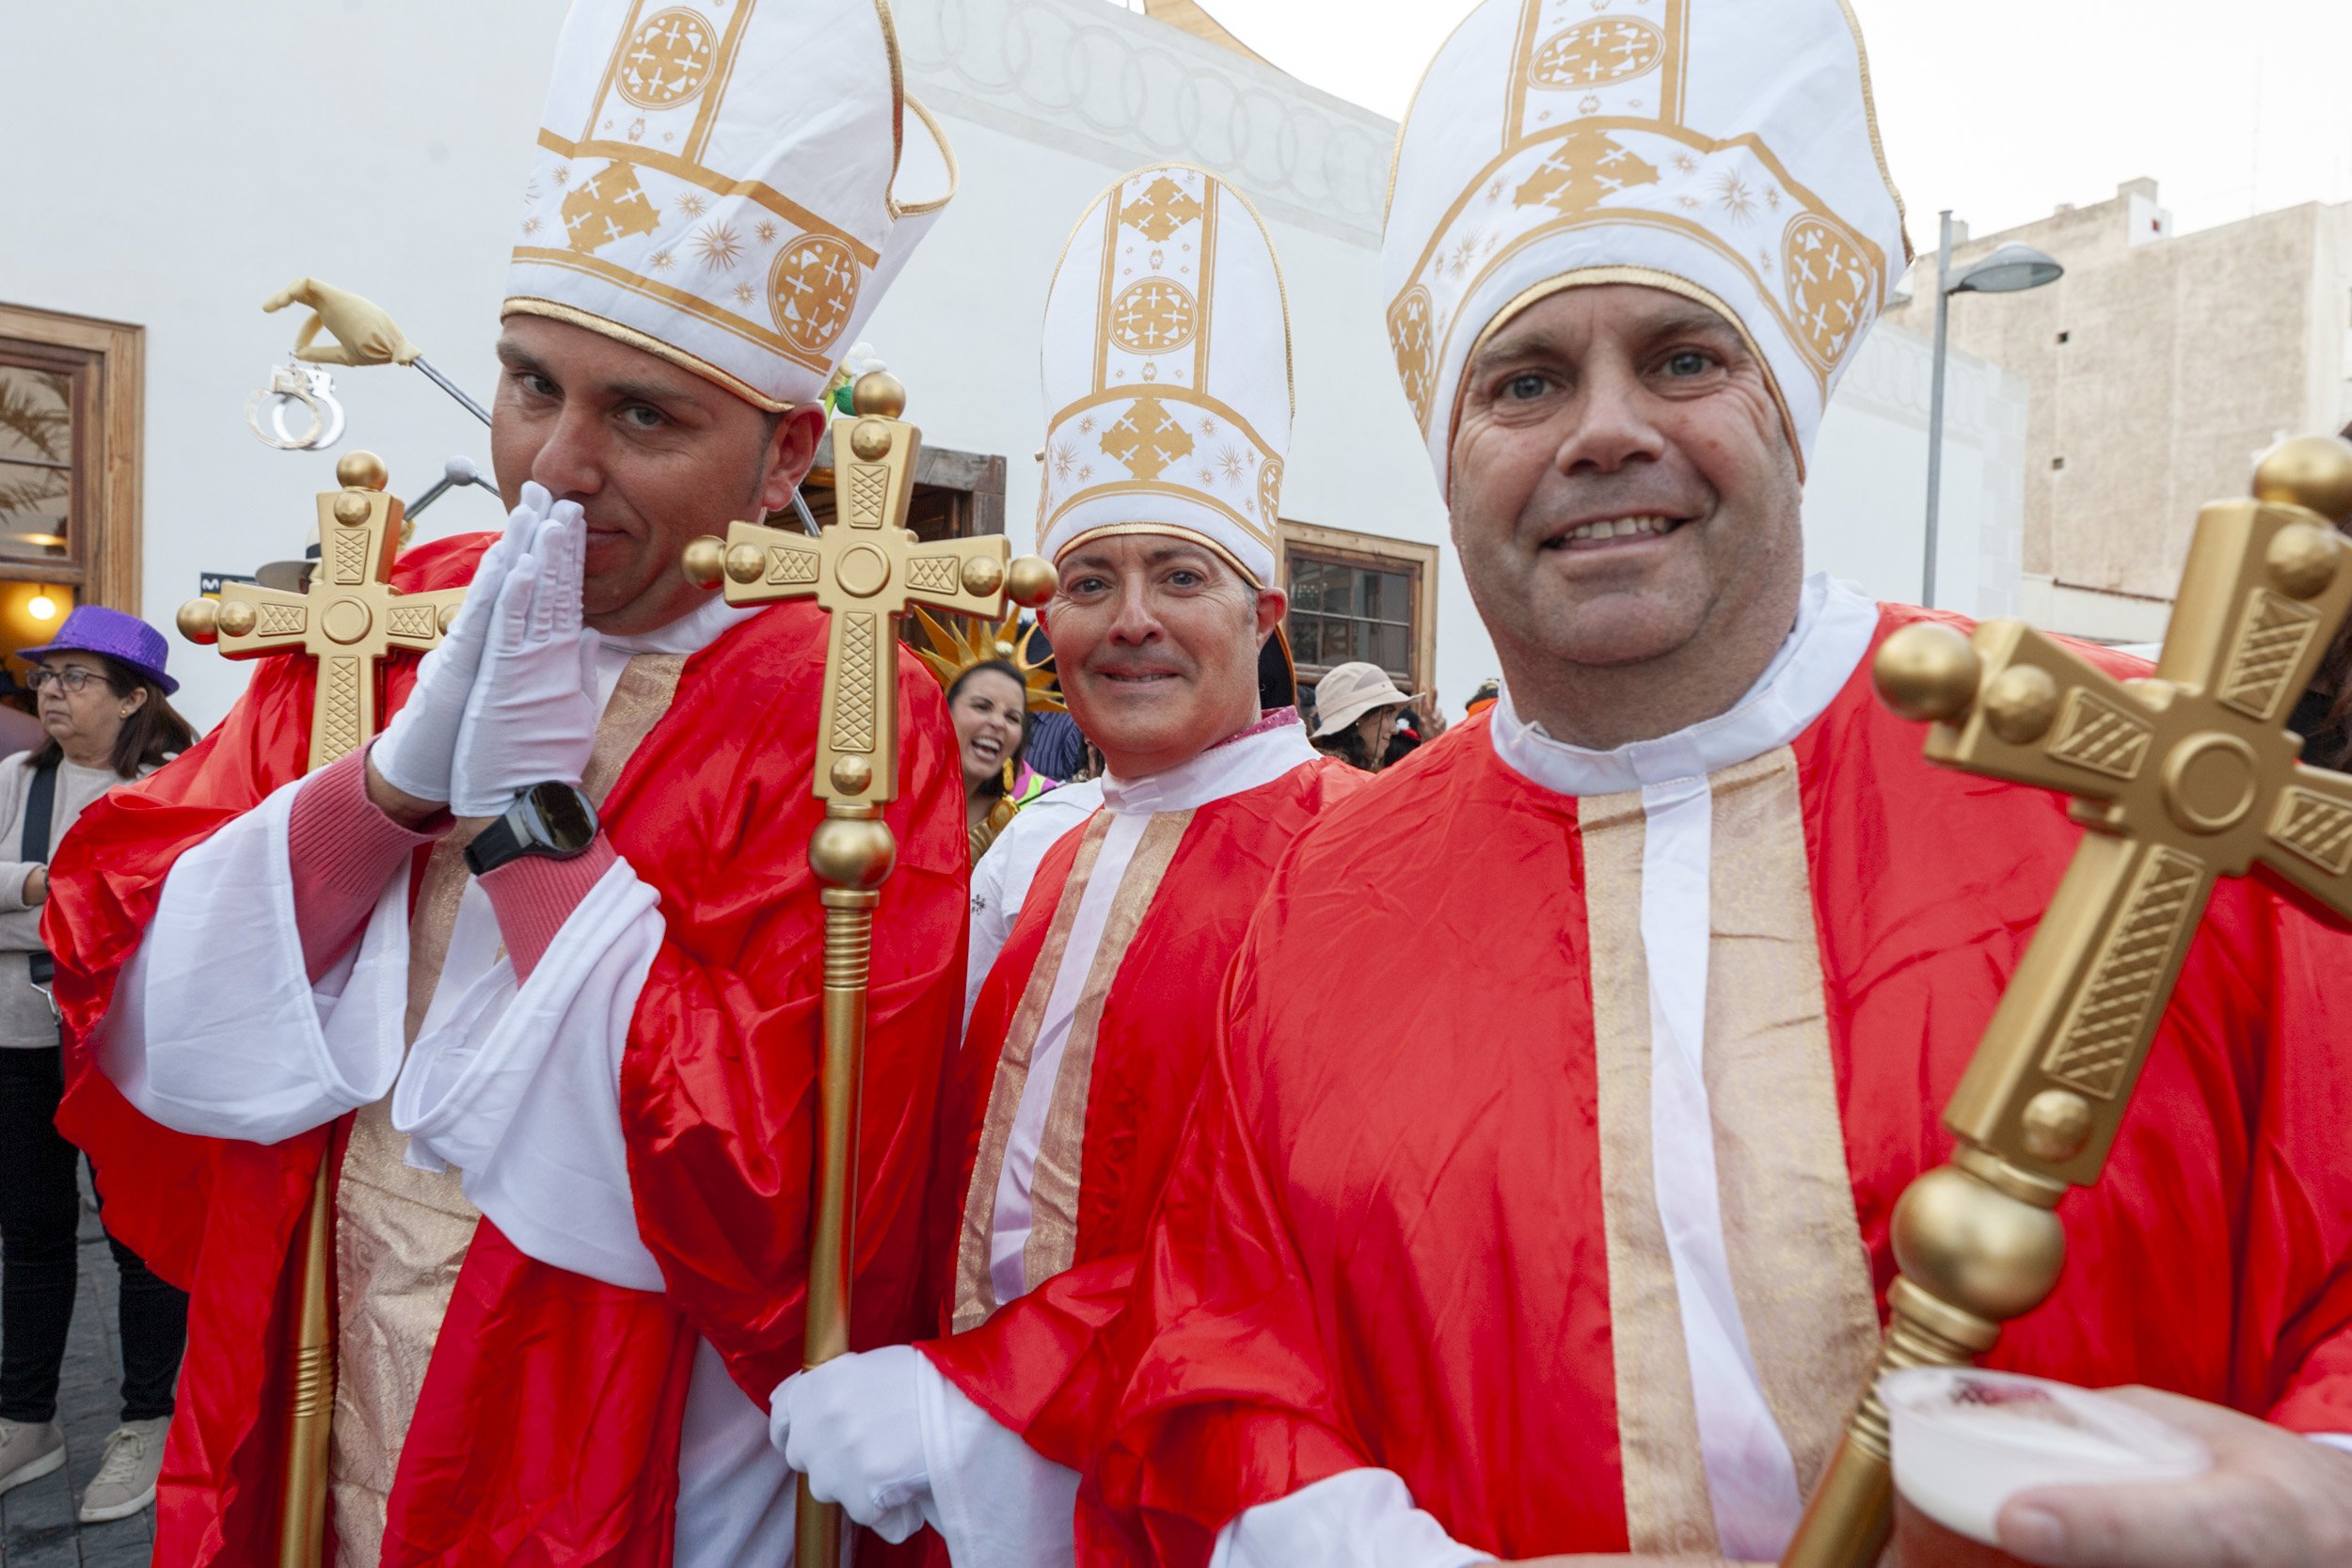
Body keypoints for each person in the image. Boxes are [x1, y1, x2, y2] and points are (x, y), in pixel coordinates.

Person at [1091, 4, 2352, 1566]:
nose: (1607, 429)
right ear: (1450, 452)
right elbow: (1219, 1346)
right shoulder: (1323, 902)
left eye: (1684, 355)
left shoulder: (2134, 788)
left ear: (1795, 420)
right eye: (1528, 380)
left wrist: (2323, 1484)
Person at [46, 5, 969, 1564]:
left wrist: (531, 833)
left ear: (786, 449)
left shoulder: (842, 701)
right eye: (531, 383)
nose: (553, 464)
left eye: (643, 414)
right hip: (313, 1370)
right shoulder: (407, 609)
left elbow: (783, 1192)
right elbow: (126, 955)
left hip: (600, 1426)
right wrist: (395, 789)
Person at [770, 163, 1360, 1568]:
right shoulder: (1036, 842)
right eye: (1090, 580)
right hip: (932, 1482)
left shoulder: (1346, 852)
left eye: (1182, 575)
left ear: (1265, 610)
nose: (1131, 620)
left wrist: (978, 1395)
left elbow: (1300, 1258)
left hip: (1176, 1486)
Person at [0, 608, 198, 1525]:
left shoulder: (177, 785)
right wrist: (47, 887)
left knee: (141, 1238)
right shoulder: (16, 779)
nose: (52, 690)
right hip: (19, 1041)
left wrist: (31, 899)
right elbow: (95, 902)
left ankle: (149, 1420)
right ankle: (26, 1418)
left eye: (79, 676)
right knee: (31, 1233)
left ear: (134, 697)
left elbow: (166, 912)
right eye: (47, 673)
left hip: (126, 1049)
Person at [1310, 659, 1412, 771]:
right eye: (1388, 714)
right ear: (1359, 717)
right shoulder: (1339, 777)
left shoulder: (1328, 769)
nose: (1395, 729)